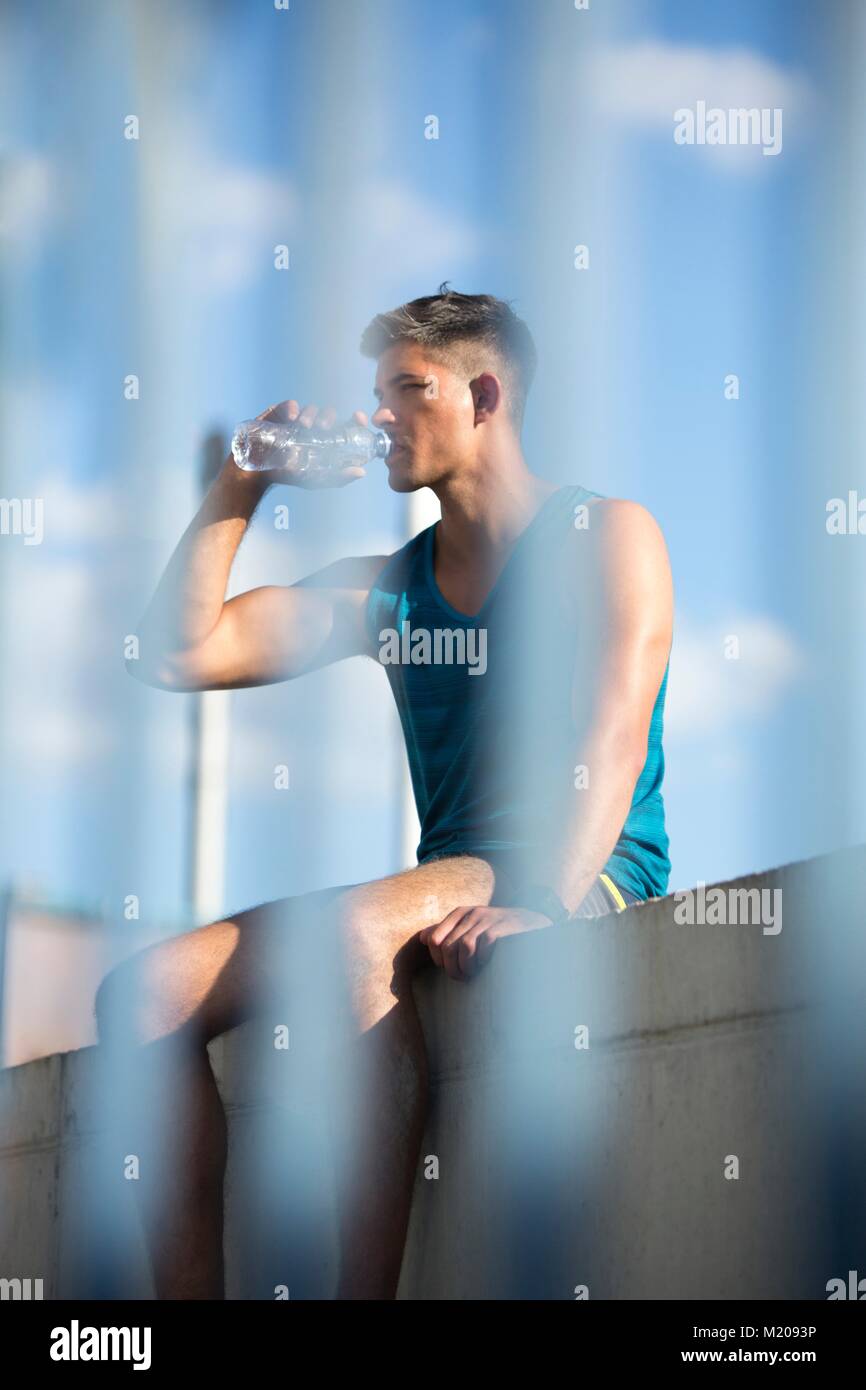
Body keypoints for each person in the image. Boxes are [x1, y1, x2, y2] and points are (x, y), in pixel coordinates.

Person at [96, 284, 673, 1300]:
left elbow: (613, 742)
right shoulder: (385, 591)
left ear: (484, 394)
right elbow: (173, 652)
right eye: (375, 391)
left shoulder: (607, 533)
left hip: (583, 868)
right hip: (440, 886)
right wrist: (243, 480)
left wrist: (541, 901)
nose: (376, 415)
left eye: (407, 387)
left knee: (355, 933)